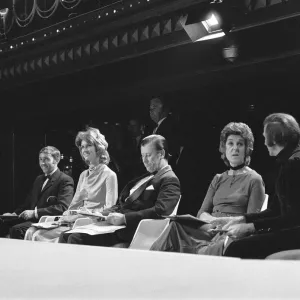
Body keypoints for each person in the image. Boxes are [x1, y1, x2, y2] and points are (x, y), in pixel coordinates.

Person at [150, 122, 265, 255]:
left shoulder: (254, 179)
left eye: (240, 144)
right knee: (175, 226)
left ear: (247, 149)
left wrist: (223, 223)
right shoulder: (218, 178)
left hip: (231, 233)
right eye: (230, 144)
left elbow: (251, 221)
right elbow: (202, 213)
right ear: (224, 148)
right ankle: (150, 262)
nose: (235, 148)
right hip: (210, 229)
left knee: (216, 245)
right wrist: (213, 222)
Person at [58, 134, 181, 246]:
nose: (144, 160)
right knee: (65, 235)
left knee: (75, 238)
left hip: (133, 229)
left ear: (162, 154)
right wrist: (101, 214)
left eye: (148, 155)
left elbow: (161, 211)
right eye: (143, 156)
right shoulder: (145, 178)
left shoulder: (169, 179)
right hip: (116, 226)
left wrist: (125, 218)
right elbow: (122, 204)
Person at [221, 113, 300, 259]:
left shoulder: (294, 164)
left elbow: (293, 219)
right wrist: (243, 219)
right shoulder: (288, 162)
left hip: (295, 234)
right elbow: (275, 210)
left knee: (237, 248)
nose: (264, 143)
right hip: (292, 229)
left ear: (274, 138)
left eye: (265, 137)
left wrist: (251, 227)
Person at [24, 127, 118, 242]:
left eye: (88, 145)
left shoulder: (109, 175)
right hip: (74, 220)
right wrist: (66, 216)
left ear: (98, 148)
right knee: (31, 231)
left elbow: (109, 210)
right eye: (82, 146)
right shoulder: (83, 174)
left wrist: (84, 215)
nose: (84, 149)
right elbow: (74, 205)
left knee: (38, 236)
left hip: (90, 224)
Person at [1, 146, 74, 239]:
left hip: (48, 221)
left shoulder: (65, 180)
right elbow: (28, 202)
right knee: (2, 223)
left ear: (56, 160)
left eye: (46, 159)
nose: (42, 163)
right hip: (32, 220)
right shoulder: (39, 179)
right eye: (40, 159)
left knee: (16, 229)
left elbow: (63, 207)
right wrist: (14, 214)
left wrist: (34, 213)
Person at [149, 96, 182, 169]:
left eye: (153, 108)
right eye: (150, 108)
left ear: (164, 109)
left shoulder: (170, 127)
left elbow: (171, 152)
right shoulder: (157, 127)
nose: (150, 111)